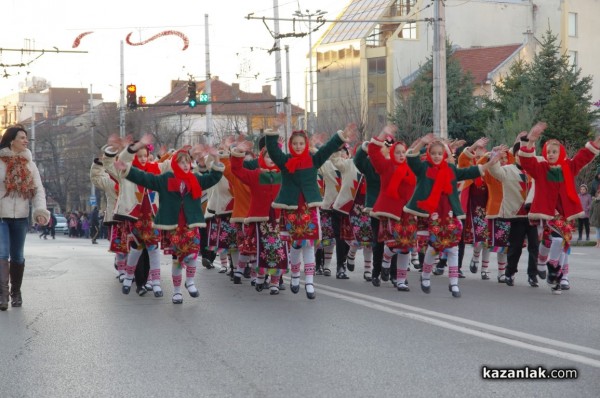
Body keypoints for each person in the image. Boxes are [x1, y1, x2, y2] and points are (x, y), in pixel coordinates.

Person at [114, 147, 224, 304]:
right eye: (181, 162)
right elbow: (145, 178)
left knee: (193, 254)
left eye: (187, 162)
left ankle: (190, 282)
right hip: (174, 227)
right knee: (178, 259)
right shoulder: (166, 179)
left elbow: (214, 177)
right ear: (174, 164)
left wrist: (217, 160)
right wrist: (128, 169)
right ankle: (177, 291)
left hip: (191, 225)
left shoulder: (195, 179)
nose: (185, 165)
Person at [404, 133, 501, 298]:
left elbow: (470, 171)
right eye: (433, 153)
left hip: (449, 213)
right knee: (434, 247)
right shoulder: (423, 167)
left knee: (453, 247)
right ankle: (426, 276)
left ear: (444, 155)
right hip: (432, 213)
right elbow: (411, 158)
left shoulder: (450, 169)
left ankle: (454, 283)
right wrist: (421, 142)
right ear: (429, 154)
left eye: (439, 154)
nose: (436, 156)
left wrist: (489, 163)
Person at [265, 125, 355, 299]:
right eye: (295, 144)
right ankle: (296, 277)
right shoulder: (285, 161)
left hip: (308, 207)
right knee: (297, 243)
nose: (298, 146)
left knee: (309, 243)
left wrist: (340, 136)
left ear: (305, 144)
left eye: (301, 143)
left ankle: (310, 282)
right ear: (291, 145)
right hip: (292, 208)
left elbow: (328, 149)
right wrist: (272, 133)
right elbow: (273, 151)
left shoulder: (313, 160)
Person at [518, 121, 600, 294]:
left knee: (562, 243)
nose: (551, 154)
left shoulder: (569, 167)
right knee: (555, 240)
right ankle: (549, 266)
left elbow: (583, 156)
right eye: (548, 152)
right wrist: (531, 141)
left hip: (566, 213)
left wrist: (595, 145)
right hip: (548, 213)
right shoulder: (540, 168)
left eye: (555, 151)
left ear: (561, 152)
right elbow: (526, 162)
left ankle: (559, 277)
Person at [0, 125, 50, 311]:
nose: (26, 141)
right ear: (11, 140)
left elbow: (38, 190)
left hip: (21, 216)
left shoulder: (29, 163)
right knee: (2, 254)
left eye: (26, 138)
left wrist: (40, 211)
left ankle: (16, 292)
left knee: (18, 256)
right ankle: (3, 295)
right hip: (1, 216)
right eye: (22, 137)